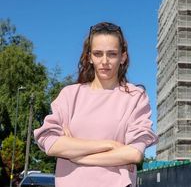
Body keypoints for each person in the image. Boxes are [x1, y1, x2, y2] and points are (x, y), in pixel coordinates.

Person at [34, 22, 158, 187]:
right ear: (89, 57)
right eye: (98, 53)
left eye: (112, 54)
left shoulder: (135, 97)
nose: (104, 61)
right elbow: (51, 143)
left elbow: (134, 153)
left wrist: (76, 156)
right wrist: (109, 145)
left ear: (123, 57)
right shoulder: (70, 95)